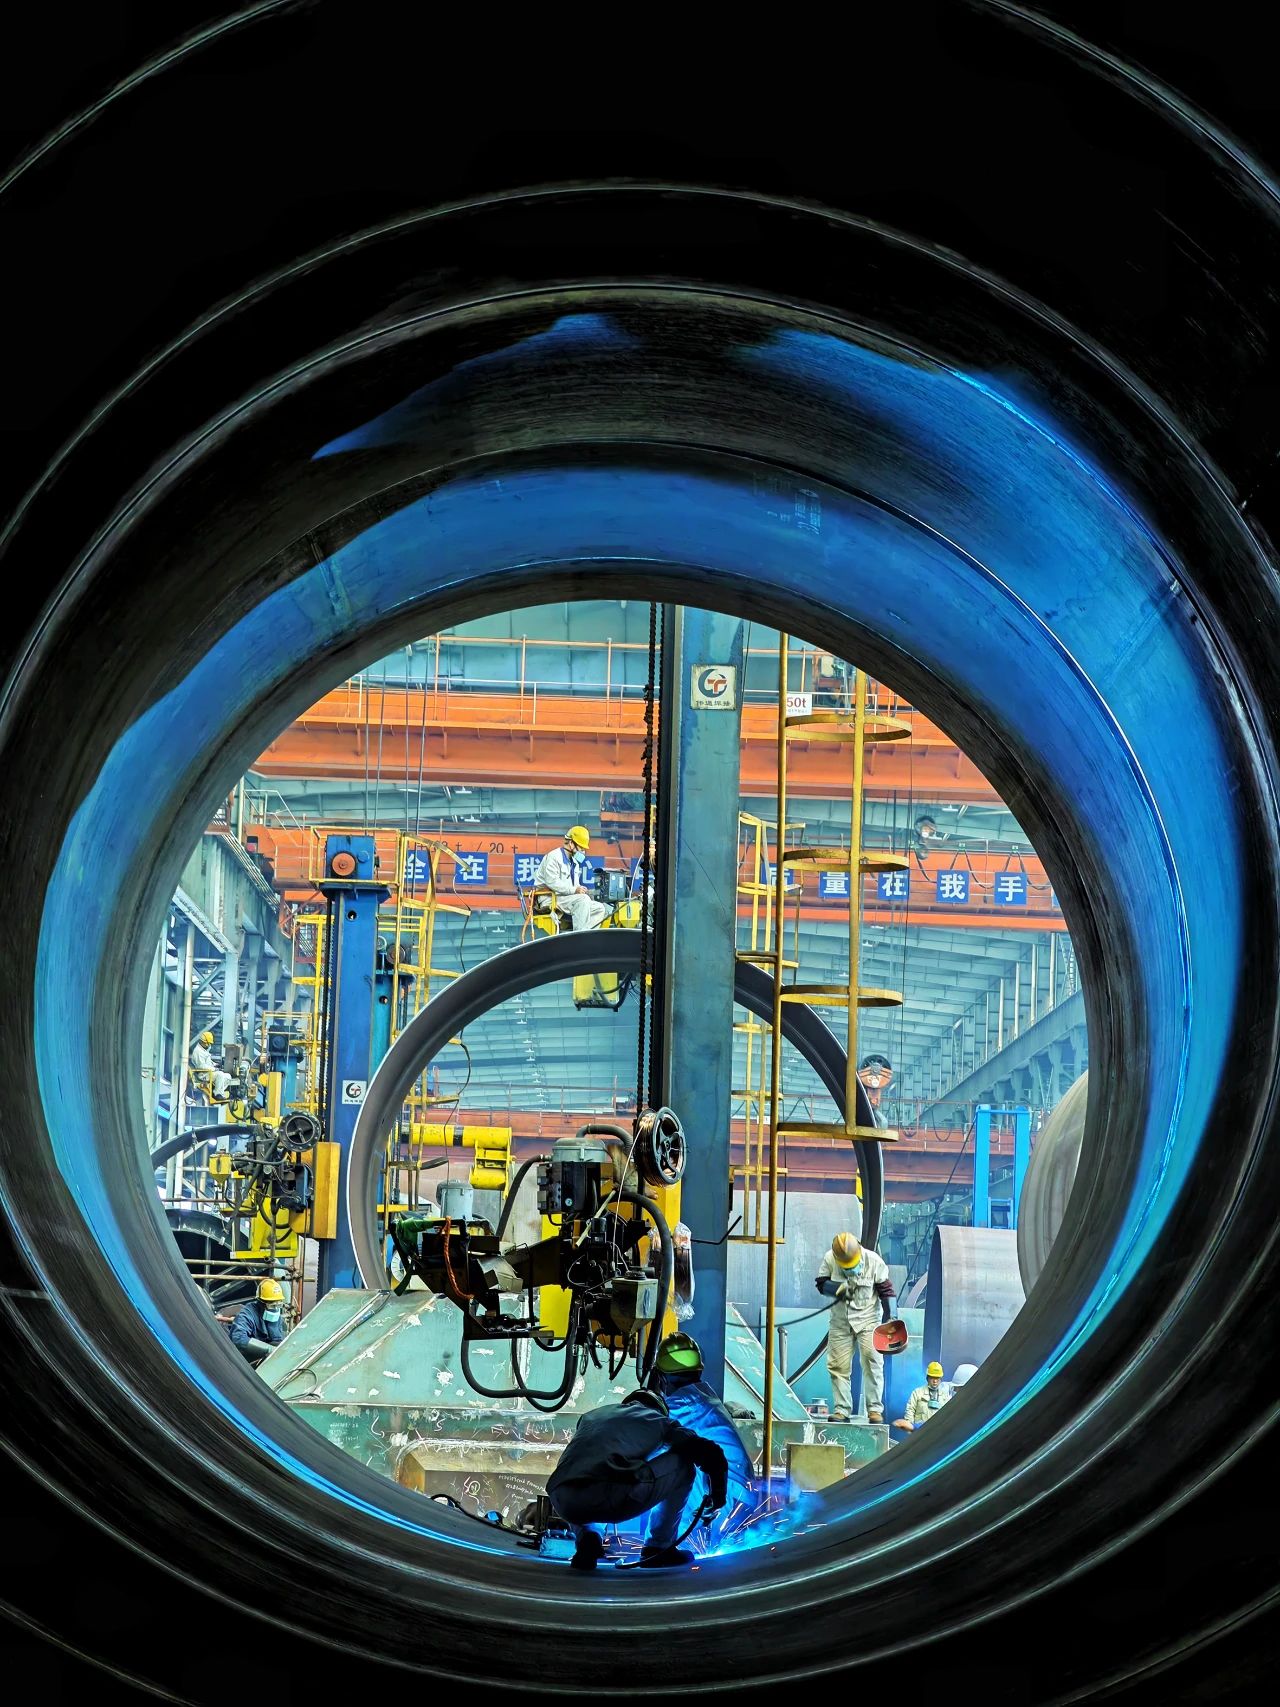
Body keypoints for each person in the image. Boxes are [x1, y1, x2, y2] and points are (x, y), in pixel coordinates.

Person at [546, 1388, 728, 1570]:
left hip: (561, 1498)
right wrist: (718, 1493)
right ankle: (658, 1548)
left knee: (590, 1472)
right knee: (683, 1463)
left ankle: (588, 1538)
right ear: (658, 1409)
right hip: (611, 1494)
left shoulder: (593, 1416)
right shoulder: (656, 1419)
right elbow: (708, 1451)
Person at [646, 1332, 756, 1541]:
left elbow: (646, 1424)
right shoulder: (703, 1396)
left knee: (674, 1464)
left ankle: (667, 1546)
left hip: (723, 1497)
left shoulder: (682, 1405)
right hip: (738, 1495)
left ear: (661, 1377)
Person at [815, 1231, 896, 1423]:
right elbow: (820, 1284)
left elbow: (886, 1291)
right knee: (838, 1365)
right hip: (840, 1321)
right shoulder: (830, 1259)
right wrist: (836, 1289)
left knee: (872, 1361)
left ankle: (874, 1410)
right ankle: (842, 1410)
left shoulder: (874, 1261)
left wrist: (891, 1317)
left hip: (868, 1320)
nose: (851, 1269)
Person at [534, 826, 612, 933]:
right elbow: (552, 882)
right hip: (550, 899)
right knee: (582, 900)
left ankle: (586, 936)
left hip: (565, 898)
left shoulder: (574, 863)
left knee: (599, 908)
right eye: (581, 848)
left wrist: (583, 891)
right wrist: (575, 890)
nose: (583, 852)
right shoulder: (553, 857)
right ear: (571, 843)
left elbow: (575, 887)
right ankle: (579, 936)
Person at [229, 1278, 288, 1365]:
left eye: (278, 1305)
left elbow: (277, 1340)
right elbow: (239, 1338)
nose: (275, 1309)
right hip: (245, 1362)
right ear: (261, 1303)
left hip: (265, 1360)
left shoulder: (277, 1316)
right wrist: (269, 1349)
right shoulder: (247, 1314)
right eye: (272, 1305)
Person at [893, 1361, 951, 1433]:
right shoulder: (917, 1393)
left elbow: (948, 1415)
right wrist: (910, 1429)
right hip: (920, 1432)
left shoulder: (945, 1396)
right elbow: (910, 1411)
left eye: (937, 1378)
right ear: (927, 1378)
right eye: (932, 1378)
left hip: (937, 1433)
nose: (935, 1381)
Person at [189, 1029, 233, 1101]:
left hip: (208, 1072)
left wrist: (215, 1064)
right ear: (204, 1042)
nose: (209, 1045)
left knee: (228, 1076)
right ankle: (217, 1094)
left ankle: (218, 1091)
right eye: (208, 1043)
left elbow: (208, 1062)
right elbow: (201, 1066)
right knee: (220, 1074)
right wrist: (214, 1069)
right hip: (203, 1074)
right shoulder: (198, 1052)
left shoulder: (203, 1050)